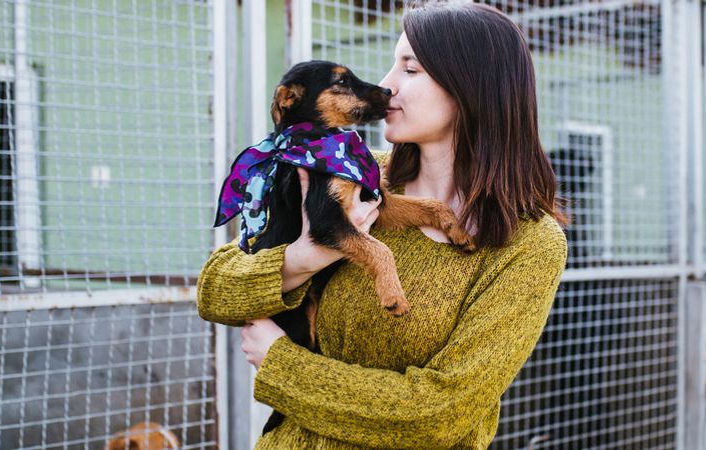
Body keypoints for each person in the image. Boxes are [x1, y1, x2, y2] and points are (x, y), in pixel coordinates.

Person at [196, 2, 568, 448]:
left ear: (471, 86)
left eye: (409, 69)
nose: (387, 85)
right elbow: (214, 289)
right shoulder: (353, 174)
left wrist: (282, 364)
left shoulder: (530, 243)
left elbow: (438, 414)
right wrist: (302, 258)